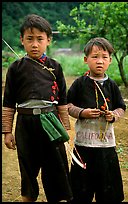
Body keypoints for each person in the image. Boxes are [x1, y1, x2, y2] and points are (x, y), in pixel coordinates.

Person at [2, 14, 73, 203]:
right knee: (27, 167)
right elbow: (8, 103)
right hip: (25, 124)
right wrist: (7, 131)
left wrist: (64, 128)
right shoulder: (15, 68)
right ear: (21, 40)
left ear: (48, 40)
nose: (35, 44)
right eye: (29, 39)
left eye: (40, 39)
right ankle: (28, 197)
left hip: (50, 121)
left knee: (55, 168)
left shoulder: (55, 67)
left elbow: (63, 100)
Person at [67, 37, 126, 203]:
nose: (99, 61)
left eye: (104, 57)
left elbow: (121, 108)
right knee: (80, 192)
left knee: (108, 192)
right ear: (86, 60)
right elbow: (67, 105)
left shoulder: (112, 85)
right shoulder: (79, 84)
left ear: (110, 60)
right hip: (83, 146)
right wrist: (82, 112)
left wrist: (113, 115)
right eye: (95, 57)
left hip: (106, 146)